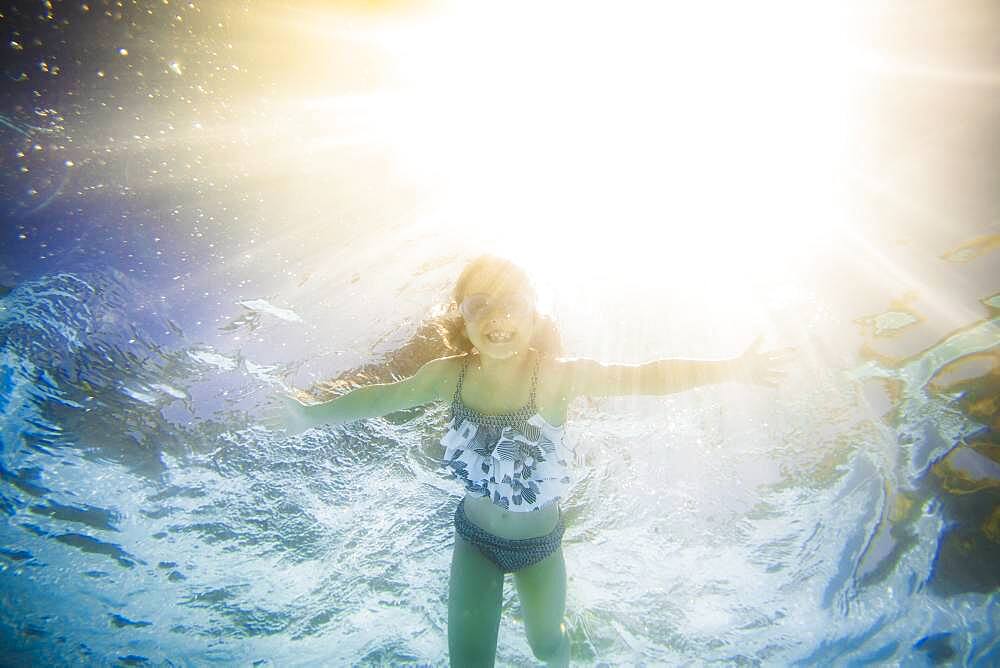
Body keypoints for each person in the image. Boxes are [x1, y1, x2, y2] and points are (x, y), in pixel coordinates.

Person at [274, 255, 792, 667]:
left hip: (540, 548)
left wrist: (733, 368)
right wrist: (309, 415)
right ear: (462, 316)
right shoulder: (446, 374)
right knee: (469, 664)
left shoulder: (556, 377)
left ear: (534, 312)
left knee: (547, 648)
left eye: (513, 303)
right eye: (480, 305)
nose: (497, 317)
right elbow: (380, 398)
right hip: (473, 541)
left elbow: (648, 375)